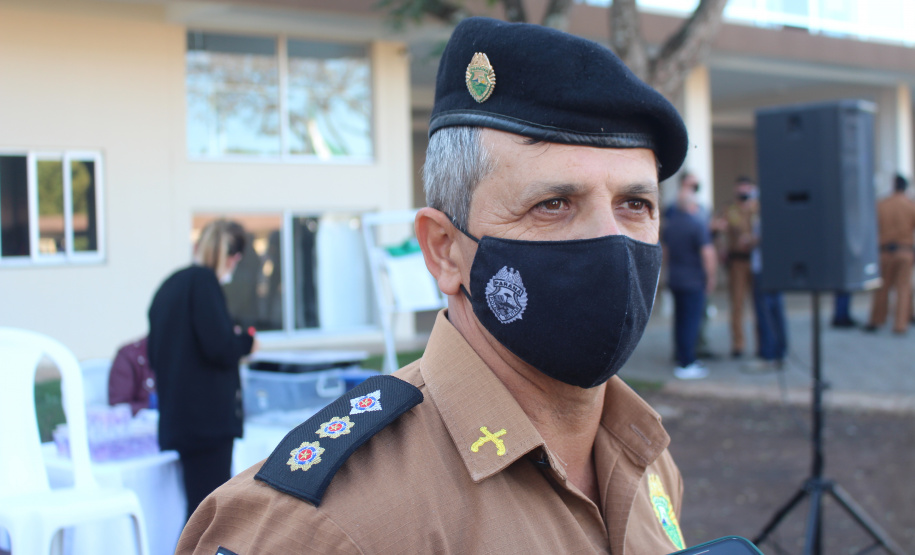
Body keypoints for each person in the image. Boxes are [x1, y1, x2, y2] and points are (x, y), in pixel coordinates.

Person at [177, 18, 690, 554]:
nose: (609, 243)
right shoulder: (325, 528)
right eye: (553, 205)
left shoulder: (644, 459)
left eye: (636, 204)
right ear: (444, 249)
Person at [148, 219, 257, 521]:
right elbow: (220, 346)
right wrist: (246, 342)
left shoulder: (169, 286)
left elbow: (157, 352)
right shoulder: (204, 284)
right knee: (209, 516)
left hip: (180, 419)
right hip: (207, 422)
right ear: (232, 256)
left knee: (197, 510)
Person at [662, 173, 717, 379]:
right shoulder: (697, 224)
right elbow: (708, 254)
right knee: (691, 322)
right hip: (694, 281)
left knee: (679, 320)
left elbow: (665, 252)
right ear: (691, 205)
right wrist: (711, 277)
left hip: (676, 279)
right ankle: (687, 363)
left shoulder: (671, 224)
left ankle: (681, 357)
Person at [864, 174, 915, 335]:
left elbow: (872, 228)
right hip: (905, 250)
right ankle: (900, 324)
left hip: (884, 251)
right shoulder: (910, 205)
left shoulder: (881, 205)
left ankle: (876, 320)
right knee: (903, 288)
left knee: (881, 287)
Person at [747, 206, 787, 372]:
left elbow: (763, 238)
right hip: (774, 270)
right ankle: (778, 352)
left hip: (765, 270)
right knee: (775, 311)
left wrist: (751, 240)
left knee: (766, 313)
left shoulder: (766, 216)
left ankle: (769, 355)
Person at [722, 176, 759, 358]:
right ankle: (738, 344)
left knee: (759, 304)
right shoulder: (731, 210)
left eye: (747, 190)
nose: (743, 193)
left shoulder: (757, 208)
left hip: (756, 261)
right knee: (737, 304)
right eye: (740, 190)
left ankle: (762, 344)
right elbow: (723, 233)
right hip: (737, 262)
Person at [107, 336, 156, 415]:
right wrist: (150, 405)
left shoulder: (180, 352)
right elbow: (118, 408)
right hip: (140, 424)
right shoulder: (129, 354)